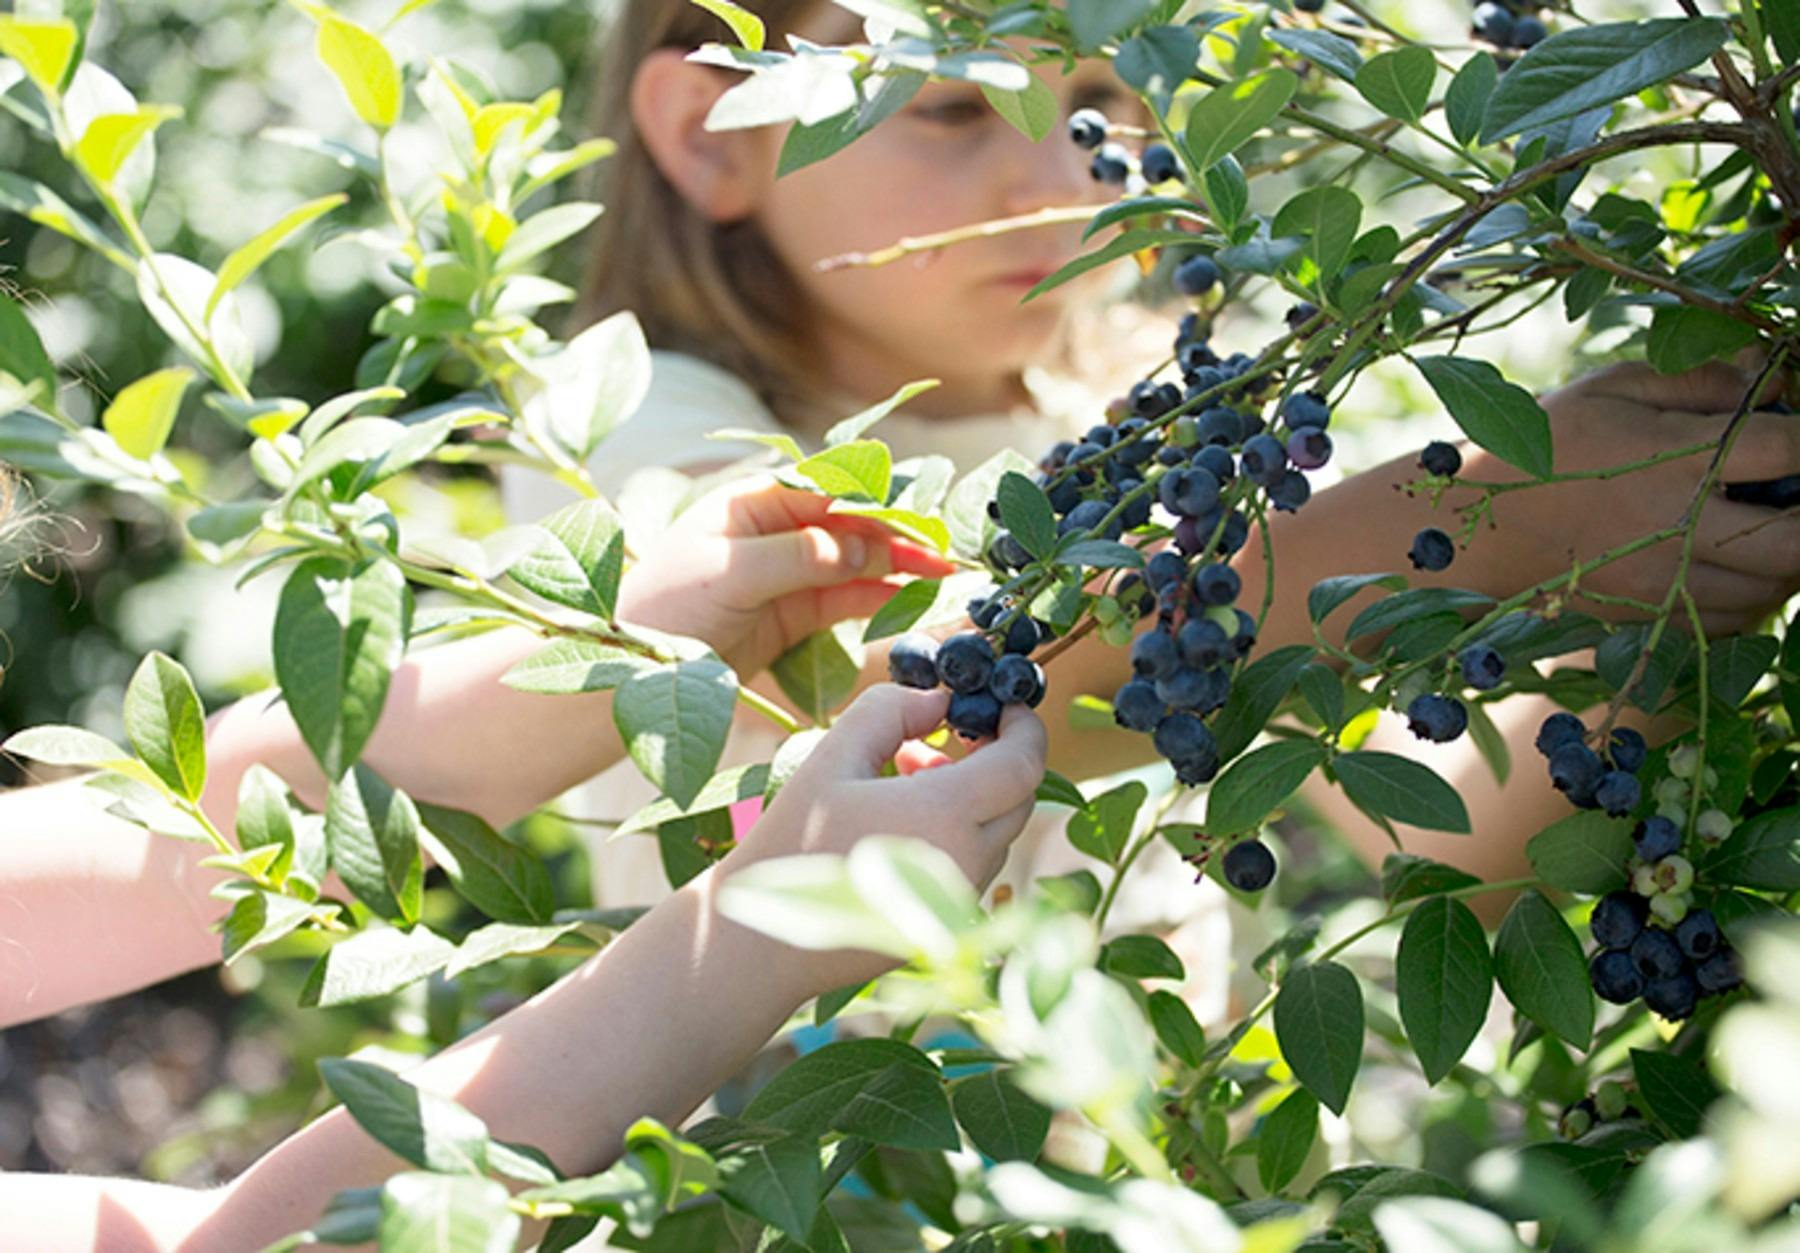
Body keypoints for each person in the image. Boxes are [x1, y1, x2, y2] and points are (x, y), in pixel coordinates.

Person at [504, 0, 1800, 942]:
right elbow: (904, 712)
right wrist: (1472, 516)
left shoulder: (1167, 419)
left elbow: (1469, 840)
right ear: (717, 128)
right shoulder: (637, 418)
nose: (1064, 176)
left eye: (1105, 105)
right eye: (958, 103)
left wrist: (1665, 570)